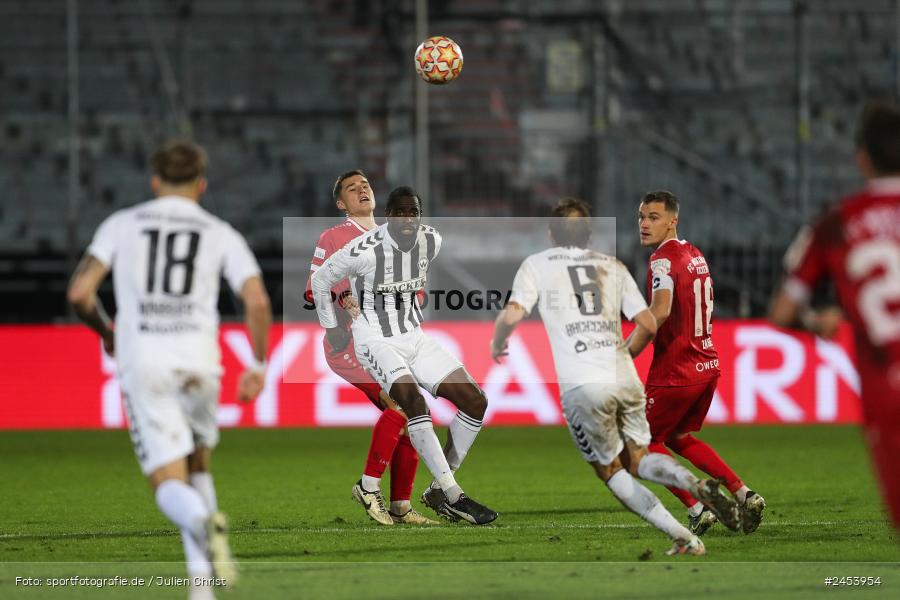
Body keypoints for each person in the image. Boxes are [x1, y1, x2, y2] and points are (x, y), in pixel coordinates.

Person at [67, 140, 272, 599]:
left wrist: (106, 331)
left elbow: (80, 293)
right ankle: (203, 589)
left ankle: (202, 522)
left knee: (167, 480)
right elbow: (256, 300)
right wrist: (258, 363)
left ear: (155, 181)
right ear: (201, 184)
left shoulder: (121, 225)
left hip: (147, 361)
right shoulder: (220, 231)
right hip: (201, 361)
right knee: (199, 465)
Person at [490, 198, 739, 555]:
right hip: (624, 375)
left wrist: (498, 343)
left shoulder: (538, 265)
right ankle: (694, 487)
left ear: (550, 234)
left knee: (613, 470)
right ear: (590, 234)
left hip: (583, 384)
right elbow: (649, 322)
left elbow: (512, 315)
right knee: (640, 456)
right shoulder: (612, 266)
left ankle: (682, 534)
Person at [311, 186, 498, 525]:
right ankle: (455, 495)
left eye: (412, 212)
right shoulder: (364, 251)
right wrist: (331, 327)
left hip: (414, 336)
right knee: (414, 404)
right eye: (399, 213)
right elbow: (322, 278)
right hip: (375, 339)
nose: (407, 219)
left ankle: (437, 489)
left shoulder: (432, 240)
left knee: (475, 401)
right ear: (388, 217)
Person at [770, 101, 900, 530]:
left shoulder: (836, 223)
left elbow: (783, 311)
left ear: (861, 157)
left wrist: (818, 323)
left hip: (888, 395)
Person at [303, 170, 434, 526]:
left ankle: (401, 507)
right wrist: (343, 295)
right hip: (353, 345)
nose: (362, 189)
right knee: (405, 410)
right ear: (341, 204)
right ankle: (367, 486)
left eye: (365, 185)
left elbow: (414, 292)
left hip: (389, 341)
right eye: (351, 188)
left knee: (415, 416)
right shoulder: (333, 237)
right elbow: (316, 285)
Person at [638, 190, 765, 535]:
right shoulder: (695, 255)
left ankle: (697, 507)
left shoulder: (662, 261)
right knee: (677, 436)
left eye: (654, 217)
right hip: (707, 365)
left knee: (640, 442)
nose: (645, 224)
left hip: (676, 371)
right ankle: (743, 493)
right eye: (641, 217)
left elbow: (661, 311)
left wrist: (629, 347)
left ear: (672, 221)